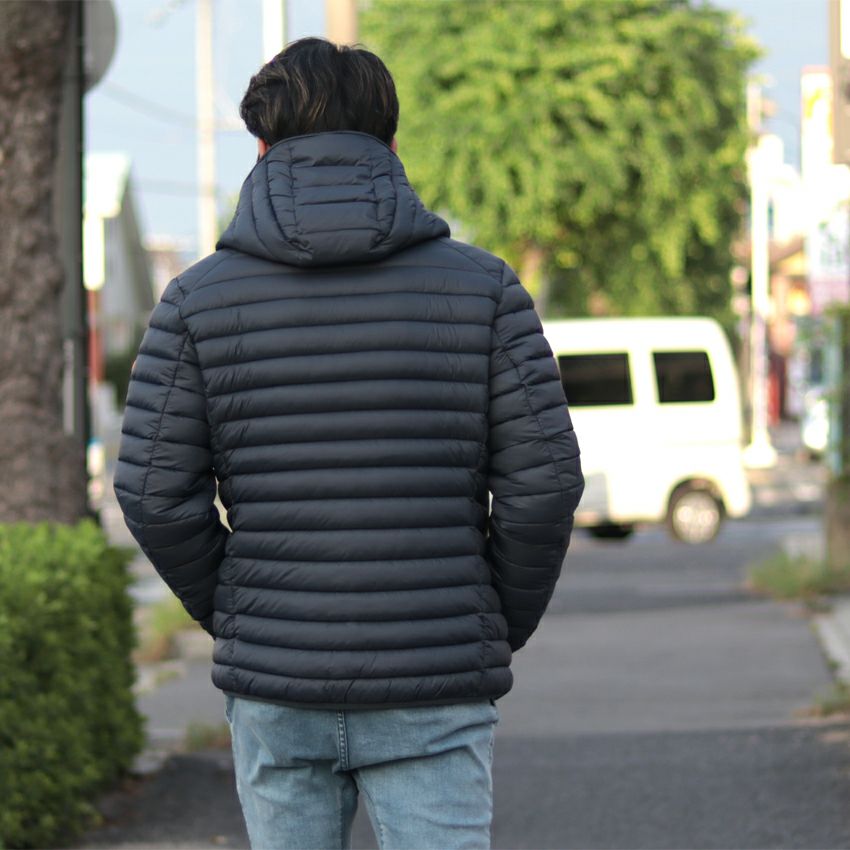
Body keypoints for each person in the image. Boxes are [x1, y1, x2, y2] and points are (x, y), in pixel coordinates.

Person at [114, 36, 583, 850]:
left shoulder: (194, 302)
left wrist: (245, 613)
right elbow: (544, 482)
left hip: (276, 685)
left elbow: (152, 493)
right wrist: (486, 619)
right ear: (391, 147)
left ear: (261, 151)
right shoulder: (485, 290)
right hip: (433, 678)